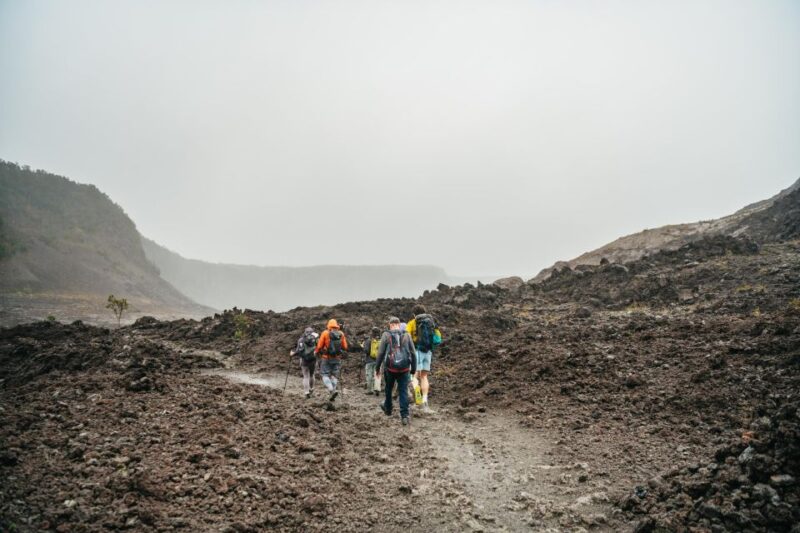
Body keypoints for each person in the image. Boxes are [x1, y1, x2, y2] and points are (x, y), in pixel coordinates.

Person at [375, 316, 416, 426]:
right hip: (404, 369)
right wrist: (414, 369)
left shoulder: (386, 334)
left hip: (390, 368)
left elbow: (381, 353)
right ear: (399, 324)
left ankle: (388, 409)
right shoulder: (407, 335)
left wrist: (377, 368)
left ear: (391, 325)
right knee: (403, 391)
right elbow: (413, 352)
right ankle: (404, 416)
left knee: (388, 389)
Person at [406, 304, 440, 412]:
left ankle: (417, 397)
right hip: (428, 351)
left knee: (414, 376)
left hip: (416, 351)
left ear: (414, 314)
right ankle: (425, 402)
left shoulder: (412, 323)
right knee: (424, 377)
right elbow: (438, 338)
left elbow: (406, 338)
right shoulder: (432, 322)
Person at [315, 318, 348, 402]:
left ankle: (331, 389)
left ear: (328, 325)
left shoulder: (325, 333)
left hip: (326, 358)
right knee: (334, 375)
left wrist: (316, 352)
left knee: (325, 374)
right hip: (337, 358)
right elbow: (345, 347)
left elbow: (319, 346)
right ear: (336, 325)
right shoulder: (341, 333)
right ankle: (334, 390)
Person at [291, 327, 319, 399]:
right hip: (313, 359)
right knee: (312, 374)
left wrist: (292, 354)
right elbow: (319, 348)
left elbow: (298, 351)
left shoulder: (301, 339)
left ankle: (306, 392)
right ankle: (311, 389)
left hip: (304, 360)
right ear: (312, 332)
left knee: (306, 376)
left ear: (305, 332)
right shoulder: (315, 339)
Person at [363, 326, 382, 396]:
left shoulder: (368, 340)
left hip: (369, 361)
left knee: (369, 375)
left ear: (372, 332)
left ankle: (370, 390)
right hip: (378, 361)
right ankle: (377, 388)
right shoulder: (381, 341)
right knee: (377, 374)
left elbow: (366, 351)